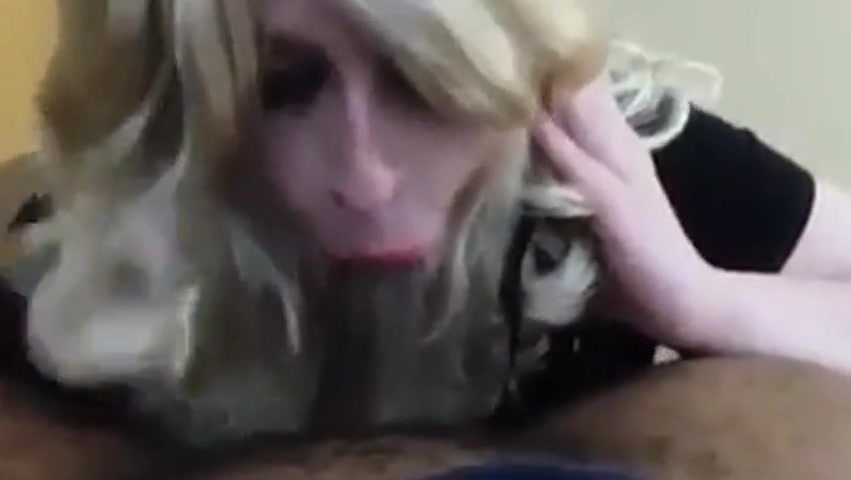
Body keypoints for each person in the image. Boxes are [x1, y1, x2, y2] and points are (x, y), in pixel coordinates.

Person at [5, 0, 851, 450]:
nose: (366, 177)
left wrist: (701, 300)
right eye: (284, 87)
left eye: (423, 84)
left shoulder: (598, 164)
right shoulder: (101, 259)